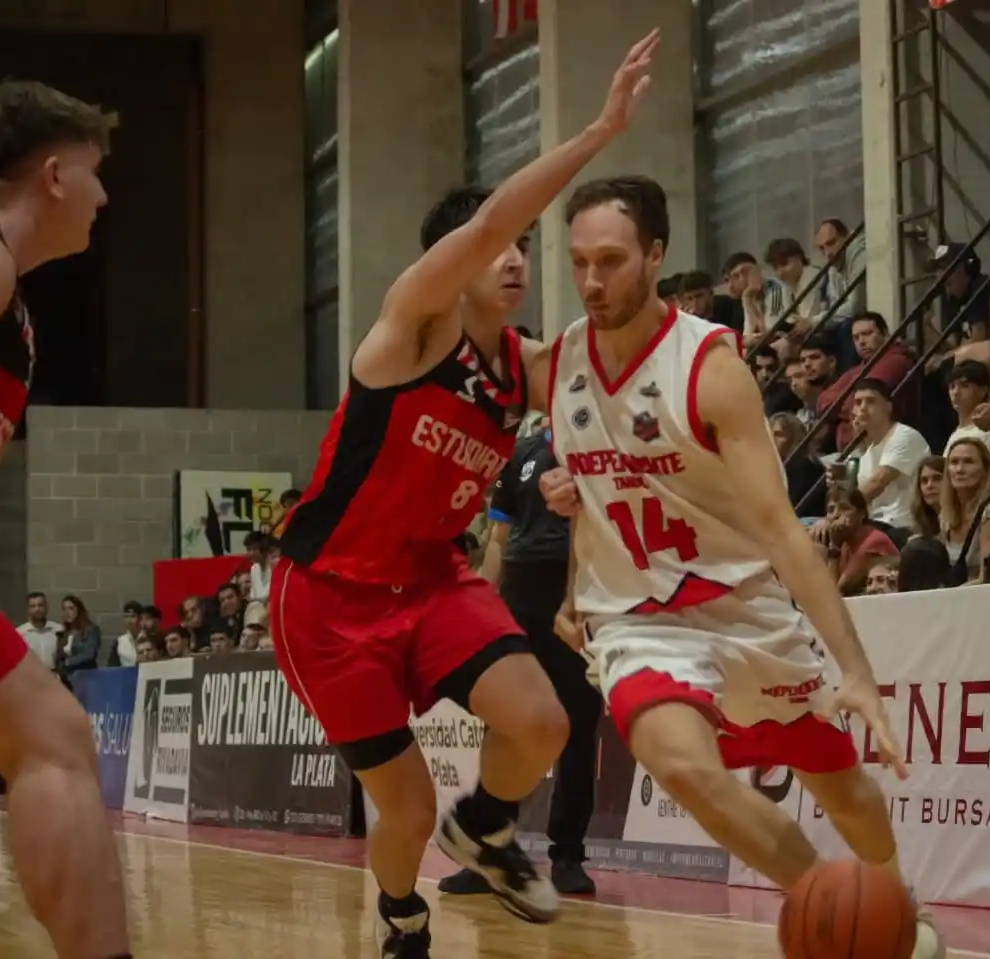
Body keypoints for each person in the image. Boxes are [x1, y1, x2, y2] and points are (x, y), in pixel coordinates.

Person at [269, 30, 659, 959]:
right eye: (501, 244)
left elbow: (627, 362)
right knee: (399, 802)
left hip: (431, 582)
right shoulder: (409, 329)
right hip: (327, 594)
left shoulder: (523, 367)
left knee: (542, 719)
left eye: (528, 246)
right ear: (457, 255)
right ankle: (402, 916)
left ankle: (483, 823)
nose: (516, 258)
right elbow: (483, 227)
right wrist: (600, 130)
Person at [539, 174, 944, 958]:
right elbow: (592, 486)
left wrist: (855, 668)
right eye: (579, 261)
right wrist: (571, 580)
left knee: (842, 784)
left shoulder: (709, 365)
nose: (591, 280)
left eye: (612, 260)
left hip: (741, 602)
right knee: (681, 765)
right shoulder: (558, 361)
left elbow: (782, 532)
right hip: (635, 619)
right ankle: (843, 919)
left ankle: (890, 902)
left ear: (655, 255)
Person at [0, 80, 131, 958]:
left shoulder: (1, 285)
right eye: (99, 175)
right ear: (58, 175)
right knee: (53, 734)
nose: (106, 198)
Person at [439, 416, 601, 898]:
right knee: (503, 725)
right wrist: (479, 609)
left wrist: (579, 602)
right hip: (519, 597)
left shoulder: (598, 448)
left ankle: (568, 854)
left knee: (576, 725)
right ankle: (489, 846)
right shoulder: (523, 455)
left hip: (575, 595)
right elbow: (498, 543)